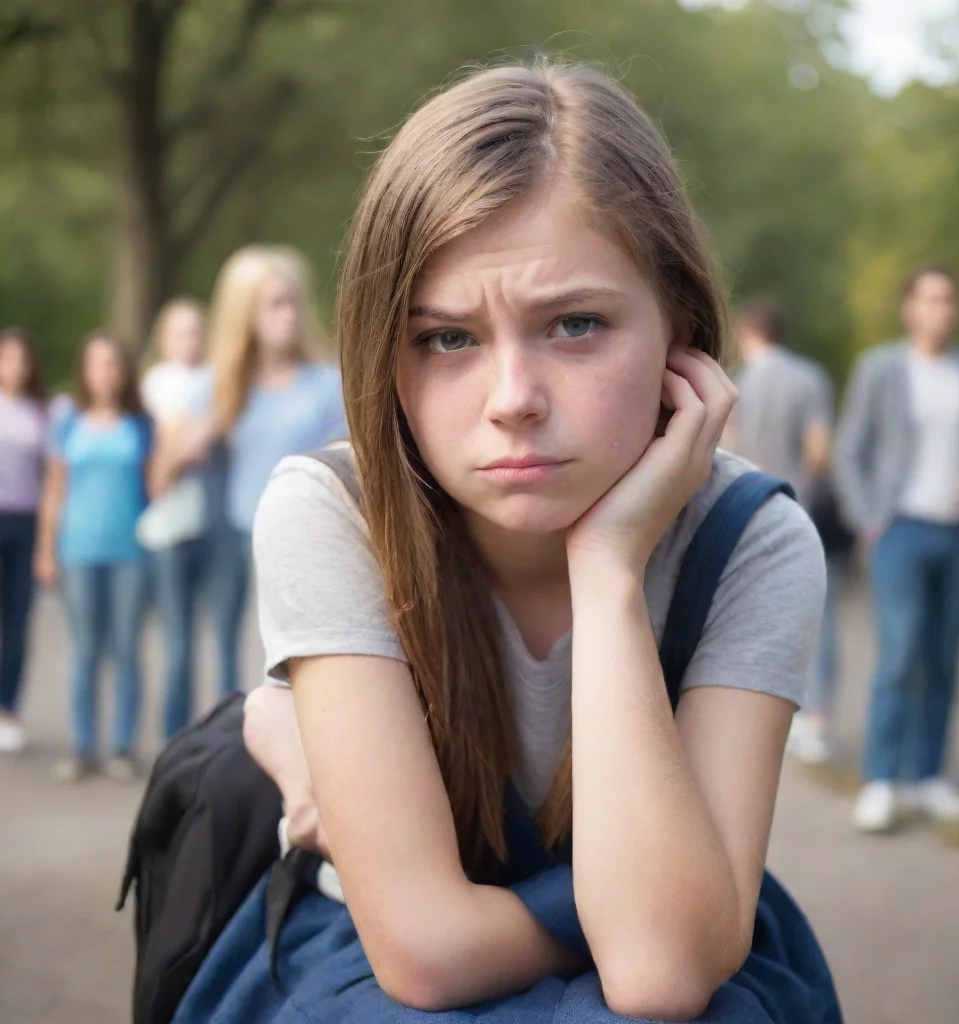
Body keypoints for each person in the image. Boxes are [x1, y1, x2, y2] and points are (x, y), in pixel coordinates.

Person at [177, 62, 839, 1023]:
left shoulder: (752, 542)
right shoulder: (333, 514)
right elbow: (425, 958)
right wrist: (623, 911)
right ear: (381, 356)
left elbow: (659, 973)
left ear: (682, 336)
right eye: (447, 339)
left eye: (575, 324)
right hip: (371, 974)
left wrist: (608, 570)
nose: (511, 400)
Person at [835, 264, 959, 833]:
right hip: (902, 532)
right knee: (899, 656)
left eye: (948, 301)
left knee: (943, 658)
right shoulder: (882, 369)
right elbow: (850, 450)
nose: (940, 310)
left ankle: (928, 777)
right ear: (910, 309)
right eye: (930, 300)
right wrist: (870, 519)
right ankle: (882, 781)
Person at [153, 246, 346, 699]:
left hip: (307, 540)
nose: (290, 315)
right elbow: (161, 479)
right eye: (275, 304)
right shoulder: (216, 386)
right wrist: (198, 436)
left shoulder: (327, 385)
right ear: (245, 314)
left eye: (294, 301)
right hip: (234, 537)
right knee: (231, 651)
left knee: (297, 659)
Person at [729, 300, 853, 764]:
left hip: (748, 509)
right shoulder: (809, 377)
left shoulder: (738, 384)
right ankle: (816, 721)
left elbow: (728, 446)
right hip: (803, 511)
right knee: (821, 616)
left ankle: (765, 722)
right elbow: (820, 449)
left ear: (748, 333)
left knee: (751, 617)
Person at [36, 332, 154, 782]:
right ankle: (84, 747)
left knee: (126, 648)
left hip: (130, 551)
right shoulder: (68, 422)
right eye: (96, 364)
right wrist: (46, 550)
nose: (105, 373)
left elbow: (155, 485)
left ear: (124, 372)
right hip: (78, 550)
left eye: (113, 364)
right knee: (84, 650)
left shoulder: (140, 425)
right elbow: (54, 491)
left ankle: (122, 747)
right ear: (84, 371)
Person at [139, 298, 211, 739]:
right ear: (164, 338)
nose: (189, 340)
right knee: (178, 640)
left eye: (195, 330)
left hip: (210, 525)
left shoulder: (214, 379)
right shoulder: (154, 383)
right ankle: (175, 737)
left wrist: (174, 452)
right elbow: (157, 457)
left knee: (216, 639)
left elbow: (185, 449)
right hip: (166, 528)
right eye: (180, 331)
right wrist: (178, 449)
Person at [0, 327, 48, 753]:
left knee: (16, 619)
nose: (15, 367)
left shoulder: (42, 412)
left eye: (22, 359)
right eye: (7, 358)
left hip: (25, 520)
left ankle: (8, 707)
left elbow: (52, 476)